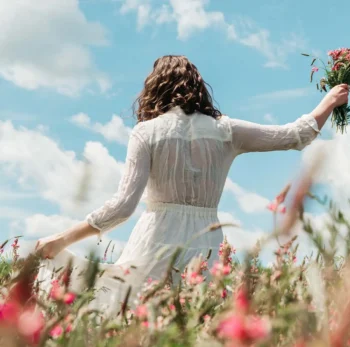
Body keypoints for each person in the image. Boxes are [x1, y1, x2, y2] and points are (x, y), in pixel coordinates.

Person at [35, 55, 349, 315]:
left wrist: (61, 239)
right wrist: (330, 100)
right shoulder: (226, 130)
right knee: (197, 321)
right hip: (207, 243)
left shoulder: (146, 133)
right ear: (198, 88)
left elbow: (122, 207)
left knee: (138, 320)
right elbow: (294, 136)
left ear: (154, 88)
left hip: (154, 240)